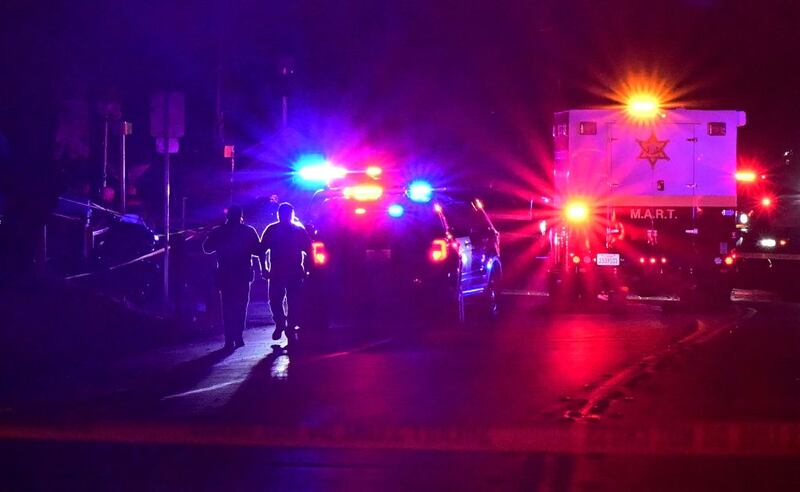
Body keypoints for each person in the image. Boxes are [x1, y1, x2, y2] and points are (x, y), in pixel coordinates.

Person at [203, 205, 261, 350]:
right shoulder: (248, 231)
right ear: (240, 216)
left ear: (227, 216)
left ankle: (229, 339)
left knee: (227, 306)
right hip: (242, 273)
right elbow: (258, 250)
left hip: (225, 273)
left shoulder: (219, 231)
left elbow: (206, 249)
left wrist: (210, 235)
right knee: (241, 305)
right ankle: (238, 335)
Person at [260, 202, 312, 346]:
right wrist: (309, 268)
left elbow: (261, 250)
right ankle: (287, 325)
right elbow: (309, 250)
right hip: (292, 270)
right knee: (292, 300)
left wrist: (264, 268)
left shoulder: (273, 229)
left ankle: (282, 324)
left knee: (277, 300)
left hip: (279, 270)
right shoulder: (297, 230)